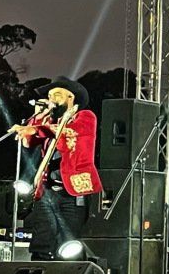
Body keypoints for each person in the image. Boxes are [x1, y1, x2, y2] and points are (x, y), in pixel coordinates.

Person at [13, 77, 103, 259]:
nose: (52, 98)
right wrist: (38, 116)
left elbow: (68, 133)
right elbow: (30, 141)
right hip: (47, 191)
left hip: (73, 191)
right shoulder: (48, 121)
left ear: (71, 98)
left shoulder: (85, 117)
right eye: (50, 95)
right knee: (42, 240)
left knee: (68, 244)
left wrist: (39, 128)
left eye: (57, 94)